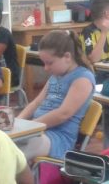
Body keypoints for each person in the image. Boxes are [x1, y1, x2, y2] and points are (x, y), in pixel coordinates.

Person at [17, 30, 95, 160]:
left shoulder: (83, 78)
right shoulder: (56, 75)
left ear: (67, 57)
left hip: (59, 138)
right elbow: (36, 103)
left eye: (50, 63)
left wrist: (30, 127)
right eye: (44, 63)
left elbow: (63, 114)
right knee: (3, 141)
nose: (46, 68)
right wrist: (17, 123)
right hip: (40, 130)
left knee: (17, 149)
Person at [78, 0, 109, 64]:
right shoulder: (88, 32)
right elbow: (93, 59)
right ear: (106, 13)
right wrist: (104, 33)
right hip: (98, 69)